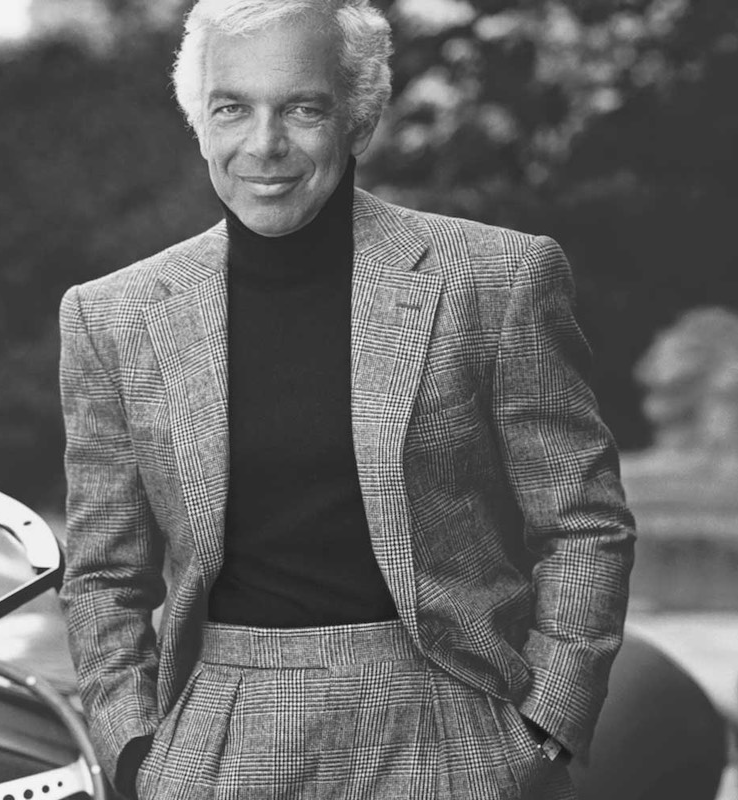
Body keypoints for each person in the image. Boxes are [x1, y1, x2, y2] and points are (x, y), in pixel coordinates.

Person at [57, 1, 635, 798]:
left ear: (358, 119)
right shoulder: (112, 316)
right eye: (232, 108)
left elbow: (582, 523)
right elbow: (102, 577)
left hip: (451, 723)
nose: (264, 146)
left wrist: (545, 731)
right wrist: (134, 749)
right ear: (200, 121)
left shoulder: (495, 279)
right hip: (216, 736)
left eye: (302, 108)